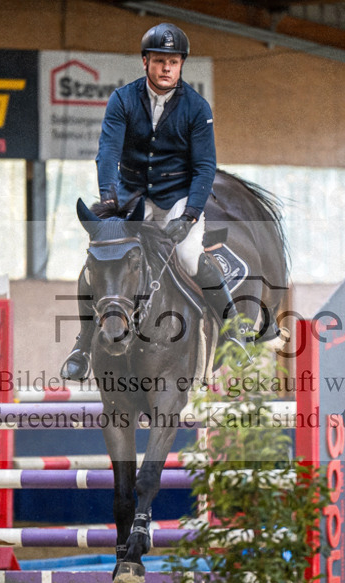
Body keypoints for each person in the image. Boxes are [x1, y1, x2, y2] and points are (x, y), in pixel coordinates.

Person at [61, 22, 244, 381]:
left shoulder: (196, 107)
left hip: (178, 199)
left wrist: (190, 216)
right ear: (145, 62)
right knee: (100, 258)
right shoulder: (123, 100)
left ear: (180, 66)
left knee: (191, 258)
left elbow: (205, 166)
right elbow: (107, 151)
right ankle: (83, 346)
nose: (166, 68)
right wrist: (110, 200)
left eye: (173, 62)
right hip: (132, 200)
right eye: (159, 60)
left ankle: (233, 332)